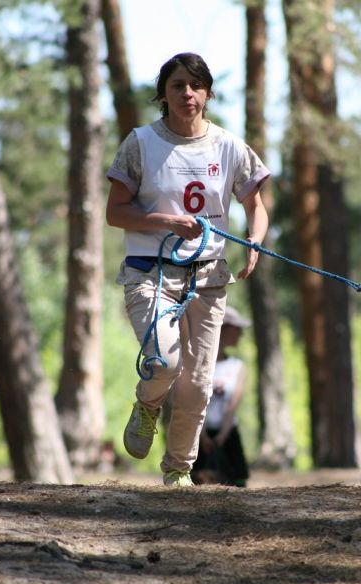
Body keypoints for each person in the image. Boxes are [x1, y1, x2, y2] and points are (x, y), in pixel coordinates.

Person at [105, 52, 270, 487]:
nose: (188, 94)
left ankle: (178, 471)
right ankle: (147, 405)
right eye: (178, 85)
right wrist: (166, 221)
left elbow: (255, 205)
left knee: (198, 385)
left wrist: (255, 240)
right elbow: (115, 212)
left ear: (209, 93)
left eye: (196, 86)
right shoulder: (140, 142)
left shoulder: (230, 146)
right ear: (164, 93)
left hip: (209, 277)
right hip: (150, 272)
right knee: (165, 358)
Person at [191, 306, 252, 487]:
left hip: (228, 433)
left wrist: (223, 435)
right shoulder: (196, 364)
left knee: (238, 480)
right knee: (195, 479)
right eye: (236, 329)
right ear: (222, 329)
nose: (240, 334)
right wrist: (202, 436)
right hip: (197, 432)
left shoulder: (237, 367)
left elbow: (232, 406)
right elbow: (193, 402)